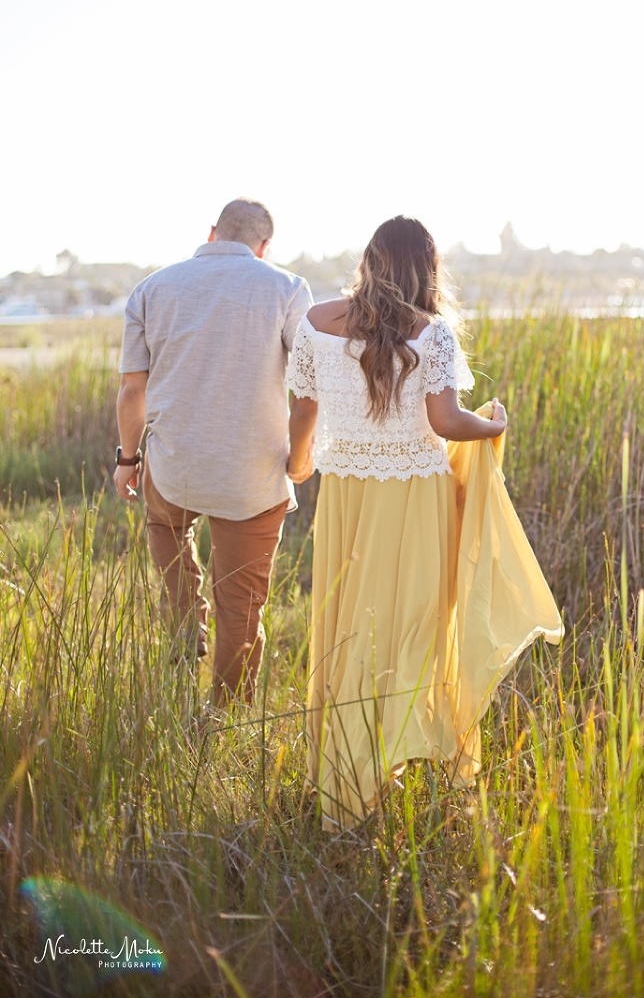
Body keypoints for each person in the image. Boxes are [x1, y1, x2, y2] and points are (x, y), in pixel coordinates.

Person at [287, 215, 563, 829]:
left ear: (370, 261)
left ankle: (347, 770)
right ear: (424, 268)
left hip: (346, 498)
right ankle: (388, 752)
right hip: (413, 497)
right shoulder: (430, 332)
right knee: (414, 624)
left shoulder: (313, 323)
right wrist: (495, 423)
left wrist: (298, 465)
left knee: (348, 623)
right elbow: (446, 422)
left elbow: (303, 411)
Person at [114, 198, 314, 704]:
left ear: (212, 233)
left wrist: (127, 460)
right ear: (264, 246)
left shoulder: (151, 288)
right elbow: (308, 388)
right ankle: (222, 715)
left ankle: (187, 625)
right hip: (251, 476)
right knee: (241, 606)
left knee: (165, 526)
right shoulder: (287, 288)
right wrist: (298, 458)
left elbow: (132, 391)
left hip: (173, 466)